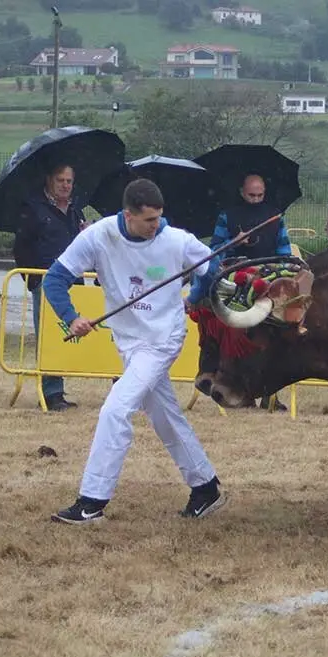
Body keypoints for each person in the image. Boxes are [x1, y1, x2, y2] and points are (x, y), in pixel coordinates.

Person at [43, 178, 226, 524]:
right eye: (149, 221)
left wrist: (195, 296)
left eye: (159, 218)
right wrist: (71, 317)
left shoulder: (178, 240)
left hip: (162, 340)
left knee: (115, 410)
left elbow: (214, 268)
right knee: (164, 416)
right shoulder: (97, 236)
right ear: (128, 215)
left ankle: (92, 500)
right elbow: (55, 278)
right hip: (128, 341)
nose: (156, 226)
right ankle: (206, 486)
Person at [207, 173, 291, 411]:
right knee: (238, 340)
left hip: (268, 281)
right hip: (236, 282)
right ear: (242, 192)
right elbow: (214, 250)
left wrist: (281, 270)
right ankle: (236, 387)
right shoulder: (227, 216)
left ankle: (270, 394)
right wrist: (234, 242)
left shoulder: (275, 216)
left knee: (275, 338)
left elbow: (284, 251)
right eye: (251, 195)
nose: (256, 199)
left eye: (260, 195)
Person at [12, 163, 87, 412]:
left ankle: (60, 390)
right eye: (60, 180)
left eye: (69, 181)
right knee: (49, 337)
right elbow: (21, 248)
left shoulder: (77, 211)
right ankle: (51, 392)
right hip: (45, 281)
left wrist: (86, 233)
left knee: (68, 335)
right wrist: (32, 280)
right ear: (48, 181)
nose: (65, 186)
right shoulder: (32, 209)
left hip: (74, 281)